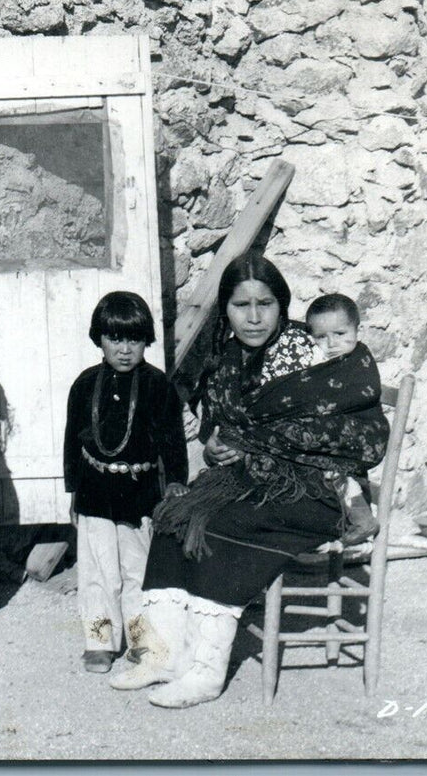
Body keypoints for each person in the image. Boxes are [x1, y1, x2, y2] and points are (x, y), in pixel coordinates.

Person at [110, 251, 388, 708]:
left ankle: (204, 673)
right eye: (242, 306)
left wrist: (255, 444)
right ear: (227, 309)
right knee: (174, 515)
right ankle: (155, 655)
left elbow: (351, 430)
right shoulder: (229, 360)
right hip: (249, 479)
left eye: (266, 304)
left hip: (312, 491)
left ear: (282, 307)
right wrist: (215, 445)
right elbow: (224, 428)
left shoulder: (309, 351)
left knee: (220, 526)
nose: (255, 317)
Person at [62, 292, 188, 674]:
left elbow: (173, 441)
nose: (124, 349)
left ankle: (140, 639)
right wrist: (72, 491)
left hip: (139, 494)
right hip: (94, 493)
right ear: (99, 339)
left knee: (138, 572)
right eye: (115, 339)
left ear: (146, 341)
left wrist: (176, 484)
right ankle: (98, 641)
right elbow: (71, 441)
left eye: (133, 340)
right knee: (97, 574)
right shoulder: (84, 385)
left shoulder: (158, 386)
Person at [306, 293, 382, 545]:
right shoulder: (322, 362)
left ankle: (360, 517)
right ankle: (332, 521)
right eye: (320, 337)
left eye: (339, 334)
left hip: (363, 436)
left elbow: (361, 394)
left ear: (357, 330)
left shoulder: (359, 360)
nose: (331, 343)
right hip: (339, 438)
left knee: (322, 459)